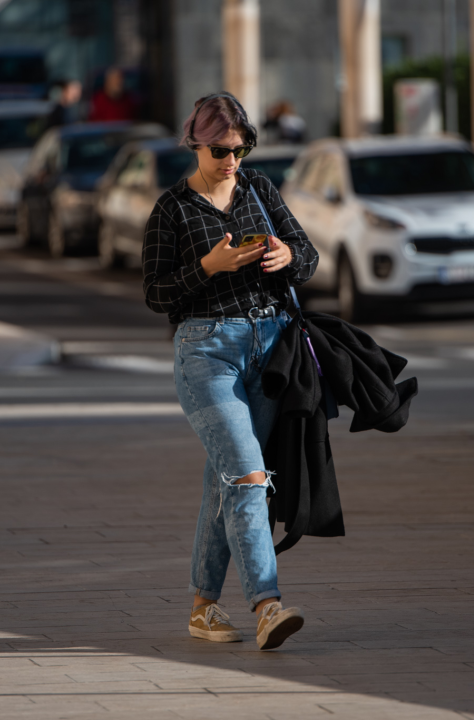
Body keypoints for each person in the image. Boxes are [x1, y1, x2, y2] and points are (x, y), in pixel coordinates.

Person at [142, 92, 319, 650]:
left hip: (268, 352)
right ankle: (267, 605)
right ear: (196, 143)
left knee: (228, 480)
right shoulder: (171, 210)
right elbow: (154, 293)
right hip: (205, 352)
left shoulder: (260, 190)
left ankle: (203, 607)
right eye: (221, 150)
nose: (232, 160)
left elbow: (308, 257)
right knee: (247, 477)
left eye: (242, 148)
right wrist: (207, 267)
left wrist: (286, 256)